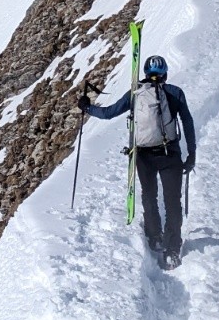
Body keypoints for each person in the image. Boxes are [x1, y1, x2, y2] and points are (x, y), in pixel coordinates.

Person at [78, 54, 196, 267]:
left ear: (145, 73)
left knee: (150, 197)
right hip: (171, 154)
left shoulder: (136, 93)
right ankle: (172, 249)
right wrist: (192, 155)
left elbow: (108, 113)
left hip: (143, 155)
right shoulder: (175, 93)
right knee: (172, 202)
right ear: (165, 74)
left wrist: (87, 107)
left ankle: (154, 238)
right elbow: (187, 122)